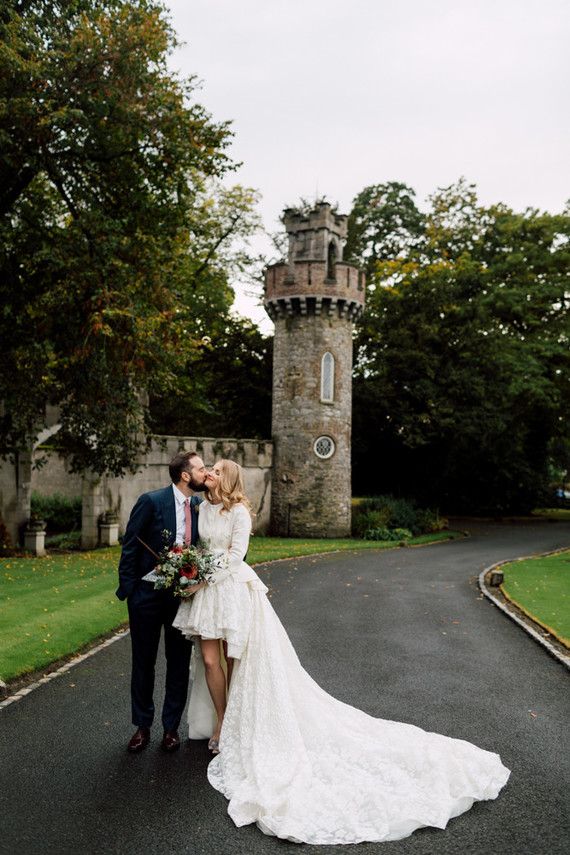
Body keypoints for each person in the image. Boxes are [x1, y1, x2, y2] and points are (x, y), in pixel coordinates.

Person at [173, 460, 510, 845]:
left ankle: (229, 725)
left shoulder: (241, 513)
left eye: (215, 469)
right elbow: (199, 547)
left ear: (228, 478)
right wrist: (190, 572)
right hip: (204, 594)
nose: (209, 472)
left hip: (231, 591)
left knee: (236, 663)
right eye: (208, 468)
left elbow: (235, 557)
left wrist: (201, 580)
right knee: (210, 661)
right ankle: (220, 723)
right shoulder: (203, 508)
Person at [116, 451, 206, 753]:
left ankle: (171, 729)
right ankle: (142, 727)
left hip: (182, 597)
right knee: (143, 662)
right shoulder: (152, 501)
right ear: (185, 475)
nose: (205, 474)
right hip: (146, 597)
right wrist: (129, 589)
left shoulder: (199, 506)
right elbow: (130, 544)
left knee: (178, 663)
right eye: (201, 468)